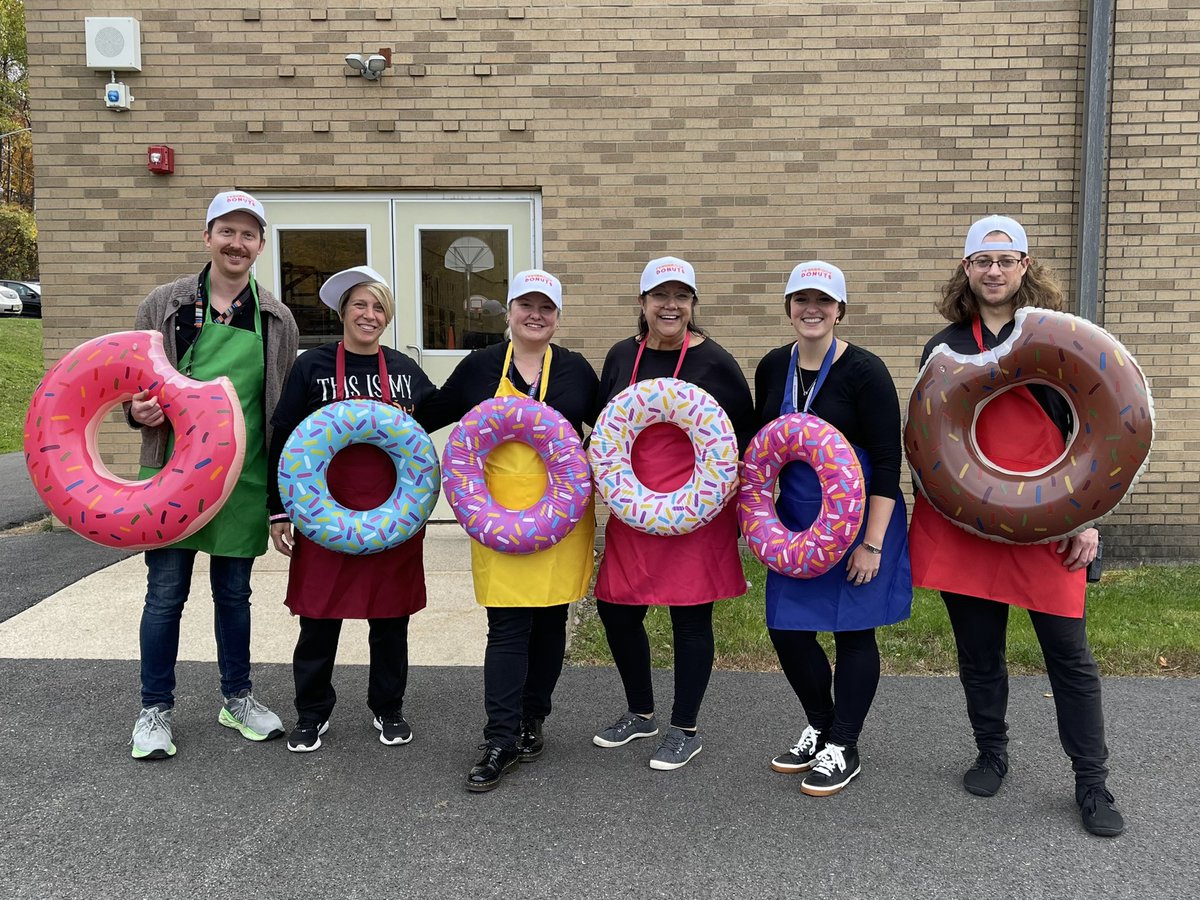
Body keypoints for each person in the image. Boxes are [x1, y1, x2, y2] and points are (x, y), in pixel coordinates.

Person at [908, 215, 1124, 837]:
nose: (994, 271)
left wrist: (1086, 519)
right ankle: (991, 752)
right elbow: (927, 439)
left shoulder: (1062, 339)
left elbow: (1100, 437)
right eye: (982, 260)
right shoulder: (946, 346)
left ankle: (1092, 783)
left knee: (1069, 657)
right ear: (967, 269)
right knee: (980, 653)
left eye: (1006, 260)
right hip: (967, 522)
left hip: (1049, 522)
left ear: (1025, 266)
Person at [125, 190, 299, 760]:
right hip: (170, 475)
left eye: (248, 234)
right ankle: (154, 709)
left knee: (234, 595)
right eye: (227, 231)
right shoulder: (164, 305)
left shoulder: (277, 318)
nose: (236, 243)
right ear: (208, 237)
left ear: (260, 245)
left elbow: (278, 409)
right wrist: (137, 412)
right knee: (165, 593)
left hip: (243, 478)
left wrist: (278, 498)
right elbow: (134, 386)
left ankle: (237, 698)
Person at [420, 269, 599, 791]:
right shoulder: (480, 367)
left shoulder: (574, 370)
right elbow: (428, 414)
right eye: (526, 305)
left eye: (546, 307)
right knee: (507, 626)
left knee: (550, 622)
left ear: (557, 316)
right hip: (497, 518)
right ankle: (499, 738)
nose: (535, 315)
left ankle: (532, 720)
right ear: (510, 311)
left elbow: (612, 430)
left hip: (560, 519)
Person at [753, 261, 912, 796]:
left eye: (823, 301)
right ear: (788, 308)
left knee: (852, 631)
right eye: (801, 299)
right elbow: (761, 450)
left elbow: (888, 461)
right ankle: (820, 725)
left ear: (840, 310)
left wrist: (873, 544)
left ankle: (845, 743)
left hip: (860, 521)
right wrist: (758, 521)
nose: (812, 309)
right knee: (786, 629)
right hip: (796, 521)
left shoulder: (866, 371)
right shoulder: (773, 366)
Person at [591, 256, 756, 771]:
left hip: (696, 510)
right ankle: (641, 712)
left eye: (681, 296)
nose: (670, 305)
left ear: (692, 304)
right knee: (617, 608)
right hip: (635, 507)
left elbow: (744, 435)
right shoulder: (622, 356)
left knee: (690, 617)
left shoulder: (716, 362)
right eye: (660, 295)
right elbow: (606, 426)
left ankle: (685, 728)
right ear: (642, 302)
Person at [266, 266, 437, 753]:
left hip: (392, 515)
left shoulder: (403, 369)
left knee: (391, 621)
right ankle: (312, 712)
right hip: (324, 515)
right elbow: (284, 437)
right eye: (360, 304)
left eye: (379, 306)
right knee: (318, 620)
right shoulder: (312, 366)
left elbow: (435, 415)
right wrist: (278, 511)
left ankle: (388, 708)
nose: (369, 314)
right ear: (343, 311)